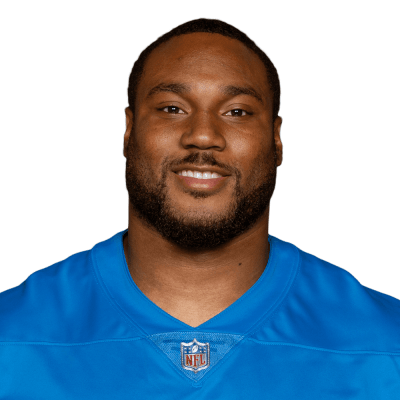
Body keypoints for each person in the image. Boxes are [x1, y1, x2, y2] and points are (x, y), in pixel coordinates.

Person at [0, 18, 399, 399]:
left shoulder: (385, 346)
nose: (203, 136)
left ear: (277, 140)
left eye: (237, 112)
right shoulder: (12, 338)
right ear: (128, 131)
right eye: (172, 108)